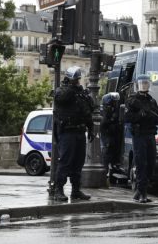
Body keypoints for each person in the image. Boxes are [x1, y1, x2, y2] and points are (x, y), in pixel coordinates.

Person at [124, 73, 158, 203]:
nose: (144, 85)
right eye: (142, 83)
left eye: (146, 83)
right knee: (141, 164)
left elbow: (156, 115)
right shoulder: (133, 100)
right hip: (139, 136)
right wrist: (140, 115)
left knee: (151, 163)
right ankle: (143, 192)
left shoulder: (151, 100)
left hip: (150, 135)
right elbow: (127, 118)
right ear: (138, 85)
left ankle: (140, 191)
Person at [51, 67, 95, 203]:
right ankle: (58, 190)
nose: (77, 81)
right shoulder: (62, 91)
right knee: (65, 162)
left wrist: (91, 128)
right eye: (75, 79)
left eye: (78, 79)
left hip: (80, 132)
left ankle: (76, 190)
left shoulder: (80, 93)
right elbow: (61, 98)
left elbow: (88, 111)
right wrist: (71, 87)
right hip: (67, 132)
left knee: (78, 162)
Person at [100, 92, 123, 179]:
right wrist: (112, 121)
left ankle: (112, 169)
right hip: (107, 135)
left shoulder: (113, 109)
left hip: (113, 135)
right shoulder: (105, 111)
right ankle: (104, 173)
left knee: (113, 152)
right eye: (113, 101)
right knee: (106, 153)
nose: (115, 103)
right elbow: (103, 124)